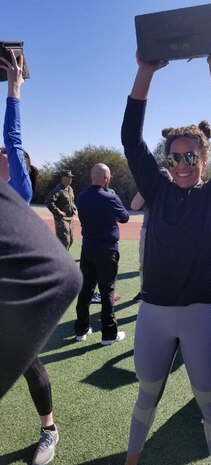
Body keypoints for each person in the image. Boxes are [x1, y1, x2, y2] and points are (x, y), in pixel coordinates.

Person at [121, 17, 211, 465]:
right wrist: (145, 72)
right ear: (167, 160)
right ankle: (132, 459)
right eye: (175, 157)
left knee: (210, 405)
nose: (183, 163)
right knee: (145, 398)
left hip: (200, 313)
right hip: (153, 311)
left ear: (204, 158)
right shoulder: (156, 190)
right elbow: (130, 139)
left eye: (191, 156)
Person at [0, 50, 82, 465]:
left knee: (30, 368)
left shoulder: (18, 190)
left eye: (6, 154)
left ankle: (48, 429)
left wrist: (14, 91)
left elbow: (13, 140)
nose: (1, 151)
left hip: (7, 304)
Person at [74, 163, 129, 345]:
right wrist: (113, 216)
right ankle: (108, 334)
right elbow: (126, 217)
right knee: (107, 291)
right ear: (106, 178)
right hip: (107, 251)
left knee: (86, 289)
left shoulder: (81, 197)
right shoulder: (110, 198)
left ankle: (81, 330)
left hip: (88, 249)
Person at [130, 167, 172, 303]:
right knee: (145, 264)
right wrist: (147, 184)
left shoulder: (173, 191)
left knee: (168, 264)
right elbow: (134, 205)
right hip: (148, 231)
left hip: (168, 233)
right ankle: (145, 291)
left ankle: (166, 291)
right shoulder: (149, 190)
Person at [45, 169, 77, 250]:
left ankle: (62, 257)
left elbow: (71, 201)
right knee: (65, 241)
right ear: (63, 178)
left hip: (70, 218)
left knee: (71, 240)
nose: (71, 179)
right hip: (61, 219)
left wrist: (73, 207)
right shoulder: (58, 189)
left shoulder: (70, 189)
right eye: (68, 177)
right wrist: (58, 212)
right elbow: (48, 201)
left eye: (71, 177)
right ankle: (61, 259)